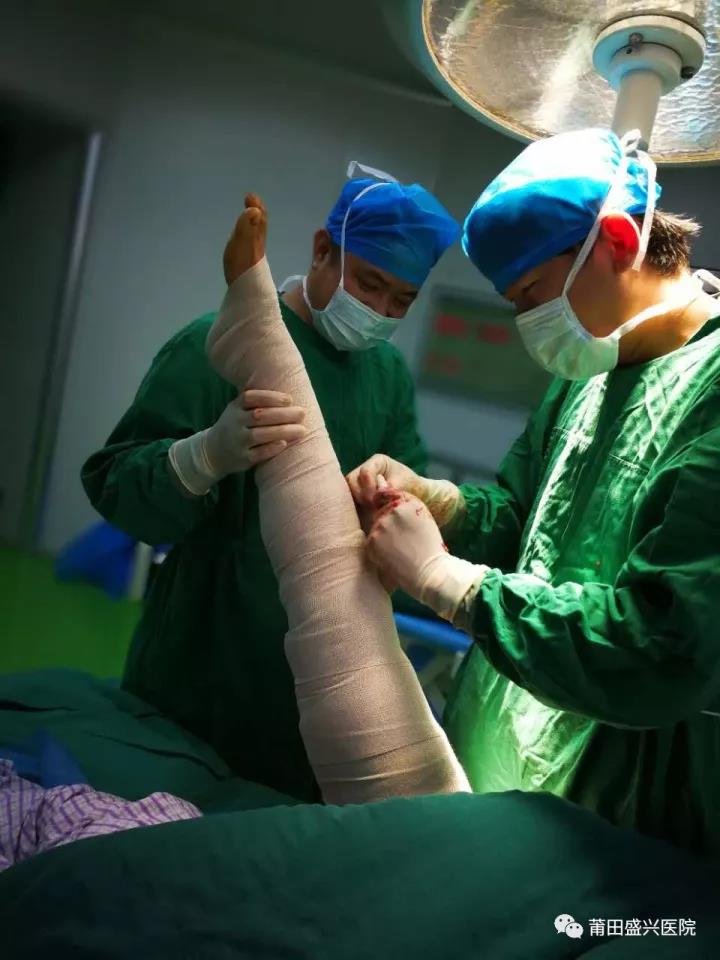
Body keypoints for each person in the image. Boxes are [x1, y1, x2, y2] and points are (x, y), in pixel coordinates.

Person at [348, 128, 720, 854]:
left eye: (531, 294)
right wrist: (444, 504)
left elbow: (660, 646)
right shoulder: (590, 373)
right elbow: (525, 521)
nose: (527, 322)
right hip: (489, 771)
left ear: (618, 242)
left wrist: (445, 581)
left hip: (612, 829)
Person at [82, 170, 459, 802]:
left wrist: (395, 503)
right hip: (199, 679)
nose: (380, 312)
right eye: (369, 283)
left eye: (402, 300)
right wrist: (204, 455)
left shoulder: (387, 375)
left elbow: (406, 499)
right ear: (321, 250)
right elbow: (115, 485)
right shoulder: (213, 348)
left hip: (317, 697)